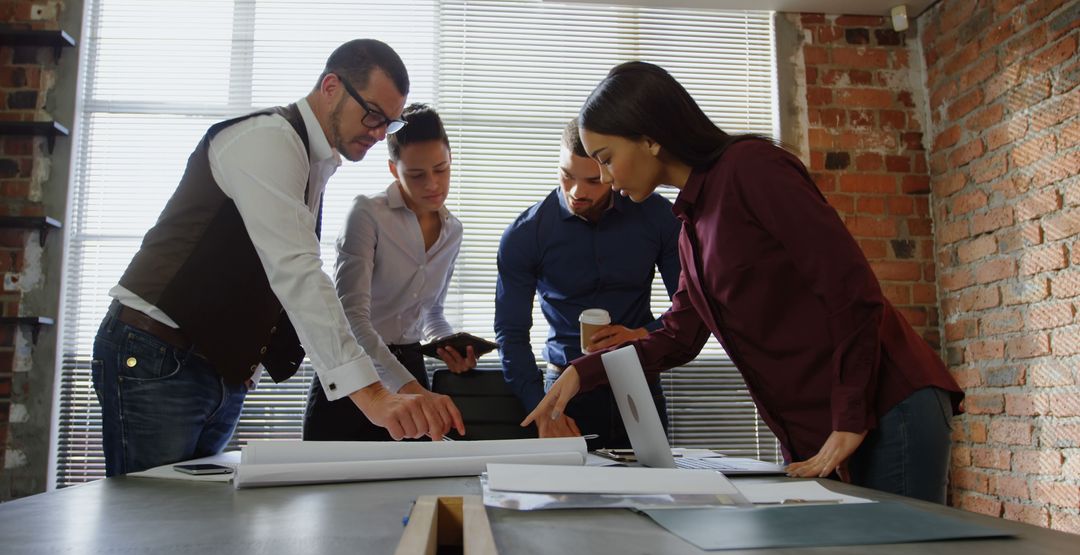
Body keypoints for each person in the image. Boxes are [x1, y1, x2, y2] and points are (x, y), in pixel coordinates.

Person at [524, 62, 964, 503]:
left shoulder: (751, 169)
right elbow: (678, 337)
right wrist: (583, 372)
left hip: (888, 403)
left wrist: (850, 415)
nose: (604, 178)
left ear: (650, 139)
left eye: (605, 159)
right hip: (829, 421)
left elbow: (850, 289)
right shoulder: (691, 227)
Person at [92, 40, 463, 476]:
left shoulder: (314, 161)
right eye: (373, 115)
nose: (381, 133)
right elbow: (299, 274)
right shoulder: (269, 141)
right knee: (154, 524)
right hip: (158, 354)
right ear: (330, 87)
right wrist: (375, 395)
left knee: (193, 526)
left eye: (390, 121)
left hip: (219, 373)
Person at [495, 118, 681, 449]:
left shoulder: (656, 217)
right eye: (567, 175)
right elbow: (511, 333)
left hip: (638, 381)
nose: (577, 191)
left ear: (610, 172)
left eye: (593, 180)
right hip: (565, 390)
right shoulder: (525, 234)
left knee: (655, 492)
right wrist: (540, 406)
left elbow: (689, 305)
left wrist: (644, 333)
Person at [304, 103, 477, 441]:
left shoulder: (453, 230)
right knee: (327, 484)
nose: (433, 184)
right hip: (355, 368)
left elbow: (431, 312)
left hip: (409, 363)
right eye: (416, 174)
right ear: (393, 169)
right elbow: (352, 318)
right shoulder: (367, 214)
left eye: (441, 169)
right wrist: (408, 387)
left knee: (411, 486)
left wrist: (447, 343)